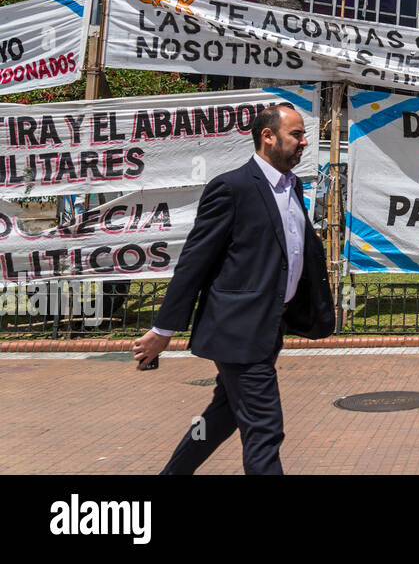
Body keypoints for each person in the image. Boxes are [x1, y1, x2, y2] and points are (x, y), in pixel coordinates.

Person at [131, 102, 334, 473]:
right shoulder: (232, 188)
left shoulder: (294, 186)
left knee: (221, 417)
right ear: (267, 136)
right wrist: (163, 330)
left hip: (268, 326)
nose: (305, 142)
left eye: (304, 134)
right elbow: (195, 261)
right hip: (237, 330)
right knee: (264, 429)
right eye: (297, 134)